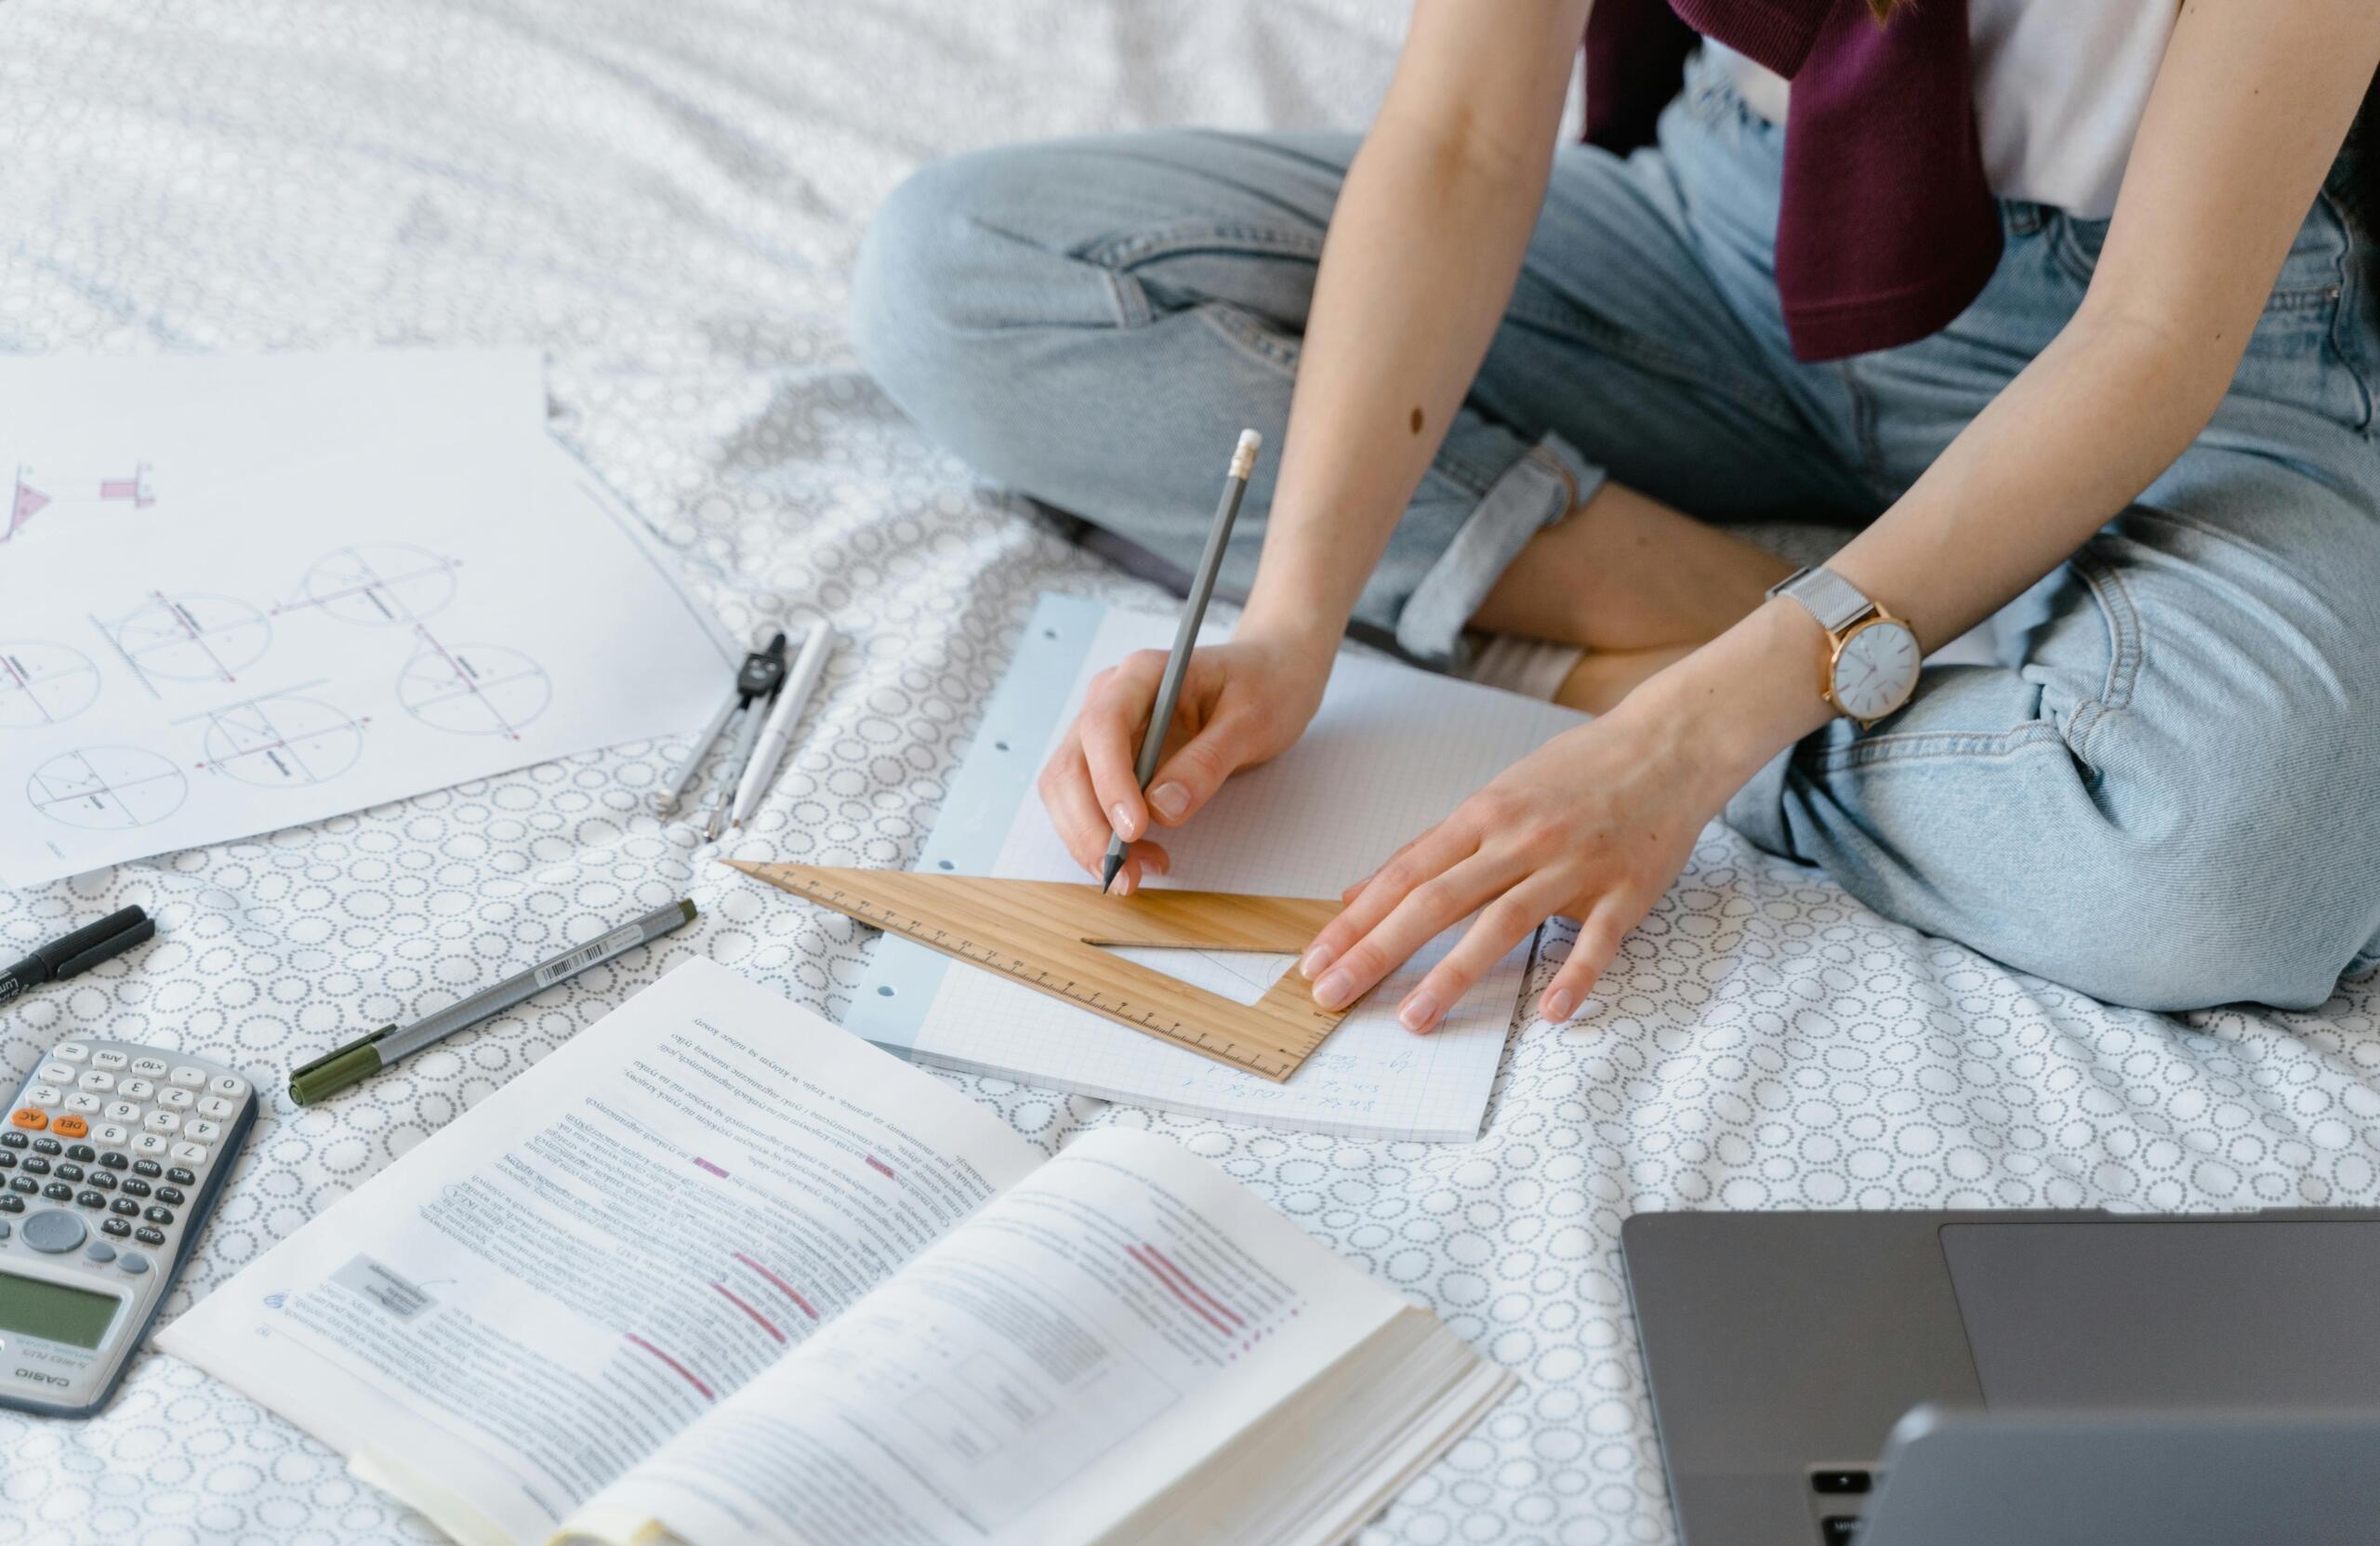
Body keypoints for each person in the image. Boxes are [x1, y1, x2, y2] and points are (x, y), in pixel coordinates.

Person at [852, 0, 2380, 1029]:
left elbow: (2151, 342)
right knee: (966, 273)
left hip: (2170, 324)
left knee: (2231, 861)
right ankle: (1733, 610)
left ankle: (1647, 659)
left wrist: (1680, 742)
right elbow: (1461, 138)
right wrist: (1294, 621)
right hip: (1734, 222)